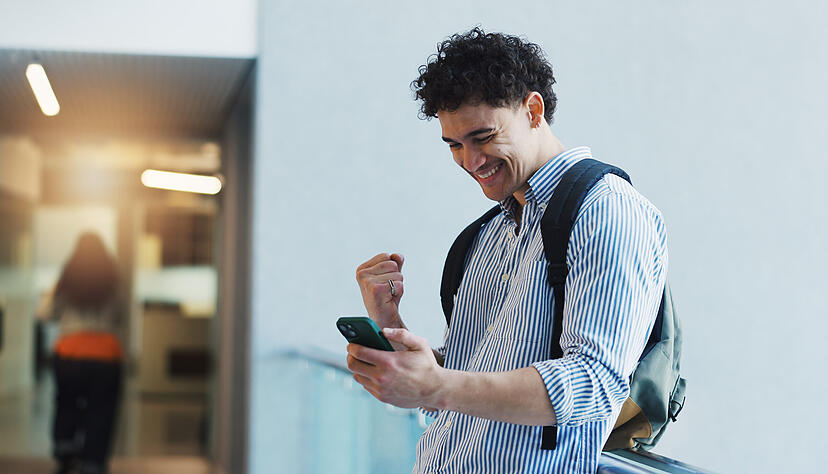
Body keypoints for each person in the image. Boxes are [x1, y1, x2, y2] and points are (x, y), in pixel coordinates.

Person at [349, 28, 668, 473]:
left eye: (483, 137)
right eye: (454, 145)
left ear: (533, 111)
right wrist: (393, 331)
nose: (470, 161)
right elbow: (464, 384)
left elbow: (594, 384)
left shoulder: (607, 209)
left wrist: (437, 385)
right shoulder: (488, 233)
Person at [37, 232, 125, 474]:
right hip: (106, 355)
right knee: (101, 411)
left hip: (70, 353)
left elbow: (44, 314)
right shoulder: (114, 282)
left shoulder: (66, 282)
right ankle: (93, 463)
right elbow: (121, 316)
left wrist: (54, 293)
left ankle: (66, 453)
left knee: (66, 404)